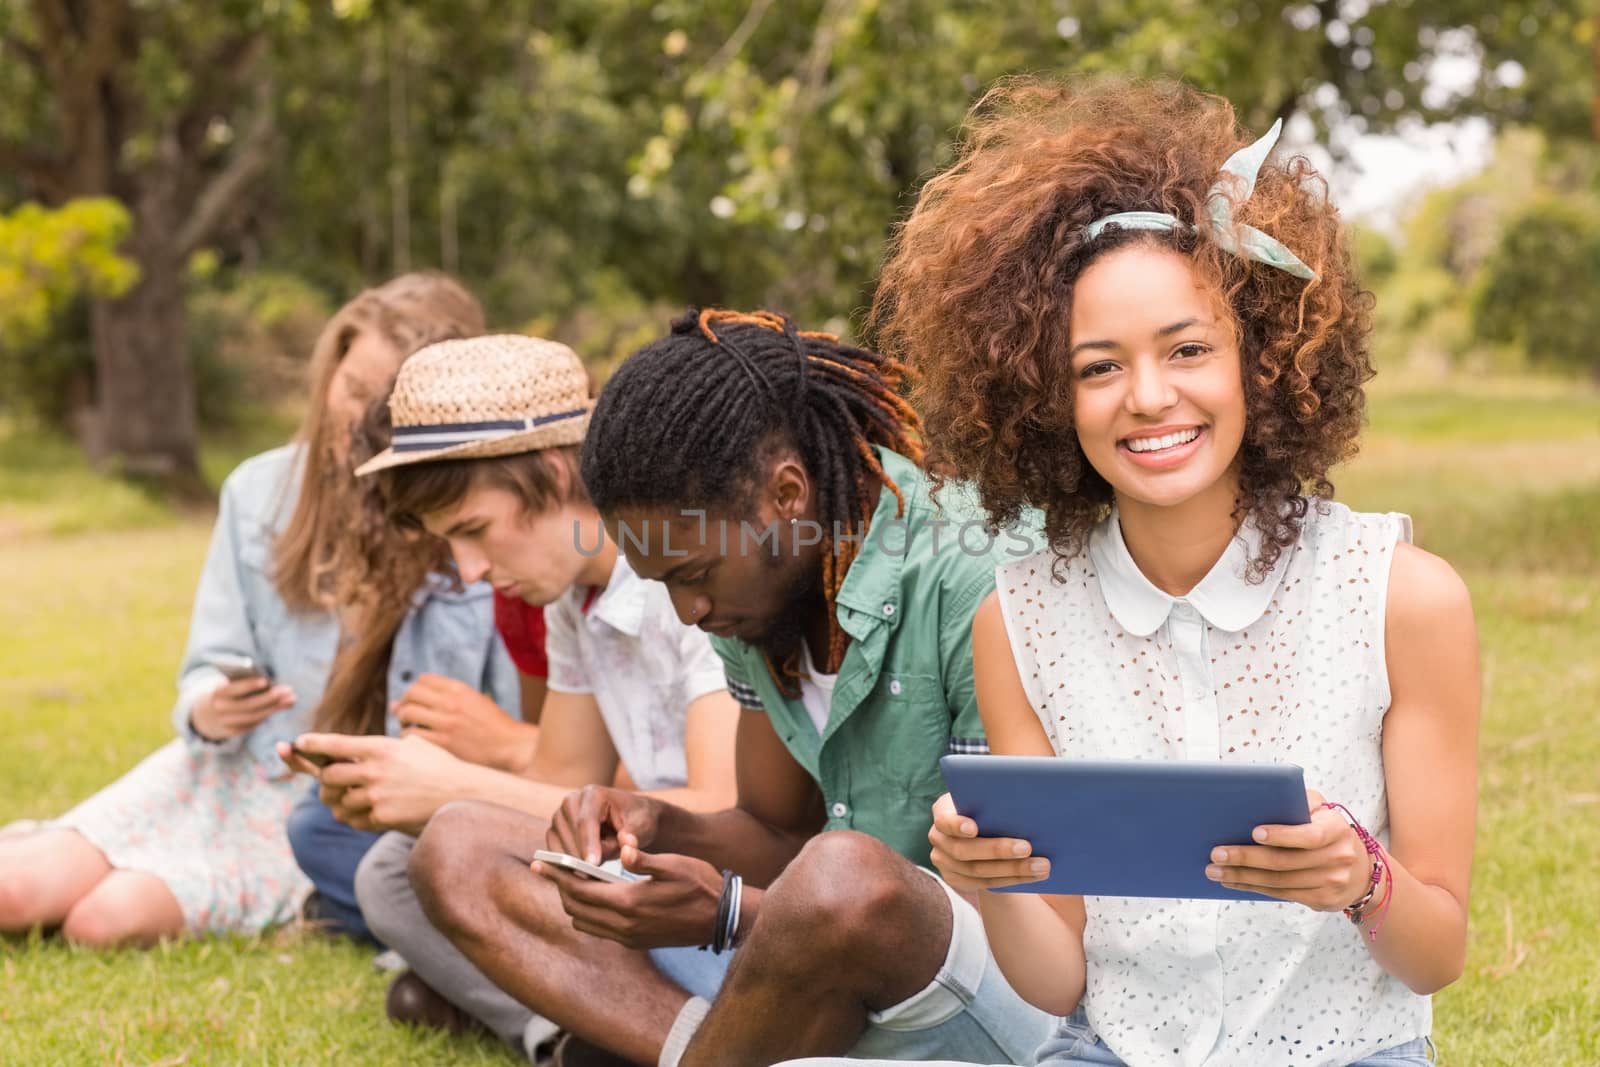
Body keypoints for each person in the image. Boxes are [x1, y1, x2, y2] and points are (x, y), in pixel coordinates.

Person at [840, 76, 1480, 1067]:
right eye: (1098, 366)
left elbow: (1436, 951)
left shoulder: (1402, 597)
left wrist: (1360, 876)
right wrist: (993, 877)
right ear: (1044, 393)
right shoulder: (1017, 621)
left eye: (1187, 348)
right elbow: (1056, 981)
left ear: (1260, 358)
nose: (1147, 397)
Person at [404, 309, 1056, 1067]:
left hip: (994, 993)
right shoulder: (766, 600)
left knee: (843, 873)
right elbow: (773, 830)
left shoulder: (975, 579)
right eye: (663, 584)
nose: (691, 613)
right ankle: (717, 1051)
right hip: (820, 969)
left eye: (694, 576)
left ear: (787, 494)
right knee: (459, 845)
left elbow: (1003, 905)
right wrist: (653, 823)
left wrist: (730, 912)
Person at [0, 272, 502, 946]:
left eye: (378, 402)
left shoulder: (469, 532)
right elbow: (208, 662)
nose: (353, 417)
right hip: (233, 767)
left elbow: (497, 739)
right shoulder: (260, 491)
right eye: (349, 388)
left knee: (101, 922)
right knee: (13, 891)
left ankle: (314, 901)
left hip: (334, 810)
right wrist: (211, 705)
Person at [276, 334, 739, 1055]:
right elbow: (562, 782)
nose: (468, 570)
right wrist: (399, 782)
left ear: (555, 477)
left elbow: (727, 813)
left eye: (474, 531)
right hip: (631, 878)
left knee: (452, 846)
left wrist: (452, 787)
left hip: (718, 896)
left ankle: (622, 1027)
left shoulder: (689, 575)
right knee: (394, 868)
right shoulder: (570, 602)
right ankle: (563, 1033)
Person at [281, 376, 523, 944]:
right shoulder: (413, 587)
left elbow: (563, 769)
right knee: (319, 826)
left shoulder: (521, 586)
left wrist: (500, 745)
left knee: (399, 868)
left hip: (508, 799)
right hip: (462, 796)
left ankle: (425, 933)